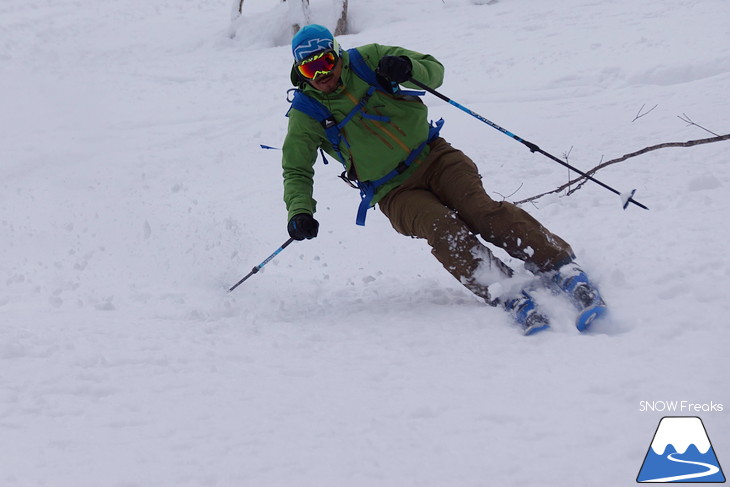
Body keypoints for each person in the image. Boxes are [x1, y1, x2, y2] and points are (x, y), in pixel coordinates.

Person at [280, 24, 606, 334]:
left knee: (481, 211)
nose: (322, 75)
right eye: (311, 70)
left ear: (338, 54)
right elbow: (297, 168)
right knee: (442, 227)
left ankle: (558, 263)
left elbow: (433, 70)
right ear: (300, 72)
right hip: (393, 190)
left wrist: (407, 67)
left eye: (326, 62)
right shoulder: (307, 111)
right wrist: (300, 211)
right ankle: (501, 286)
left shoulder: (368, 60)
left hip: (435, 157)